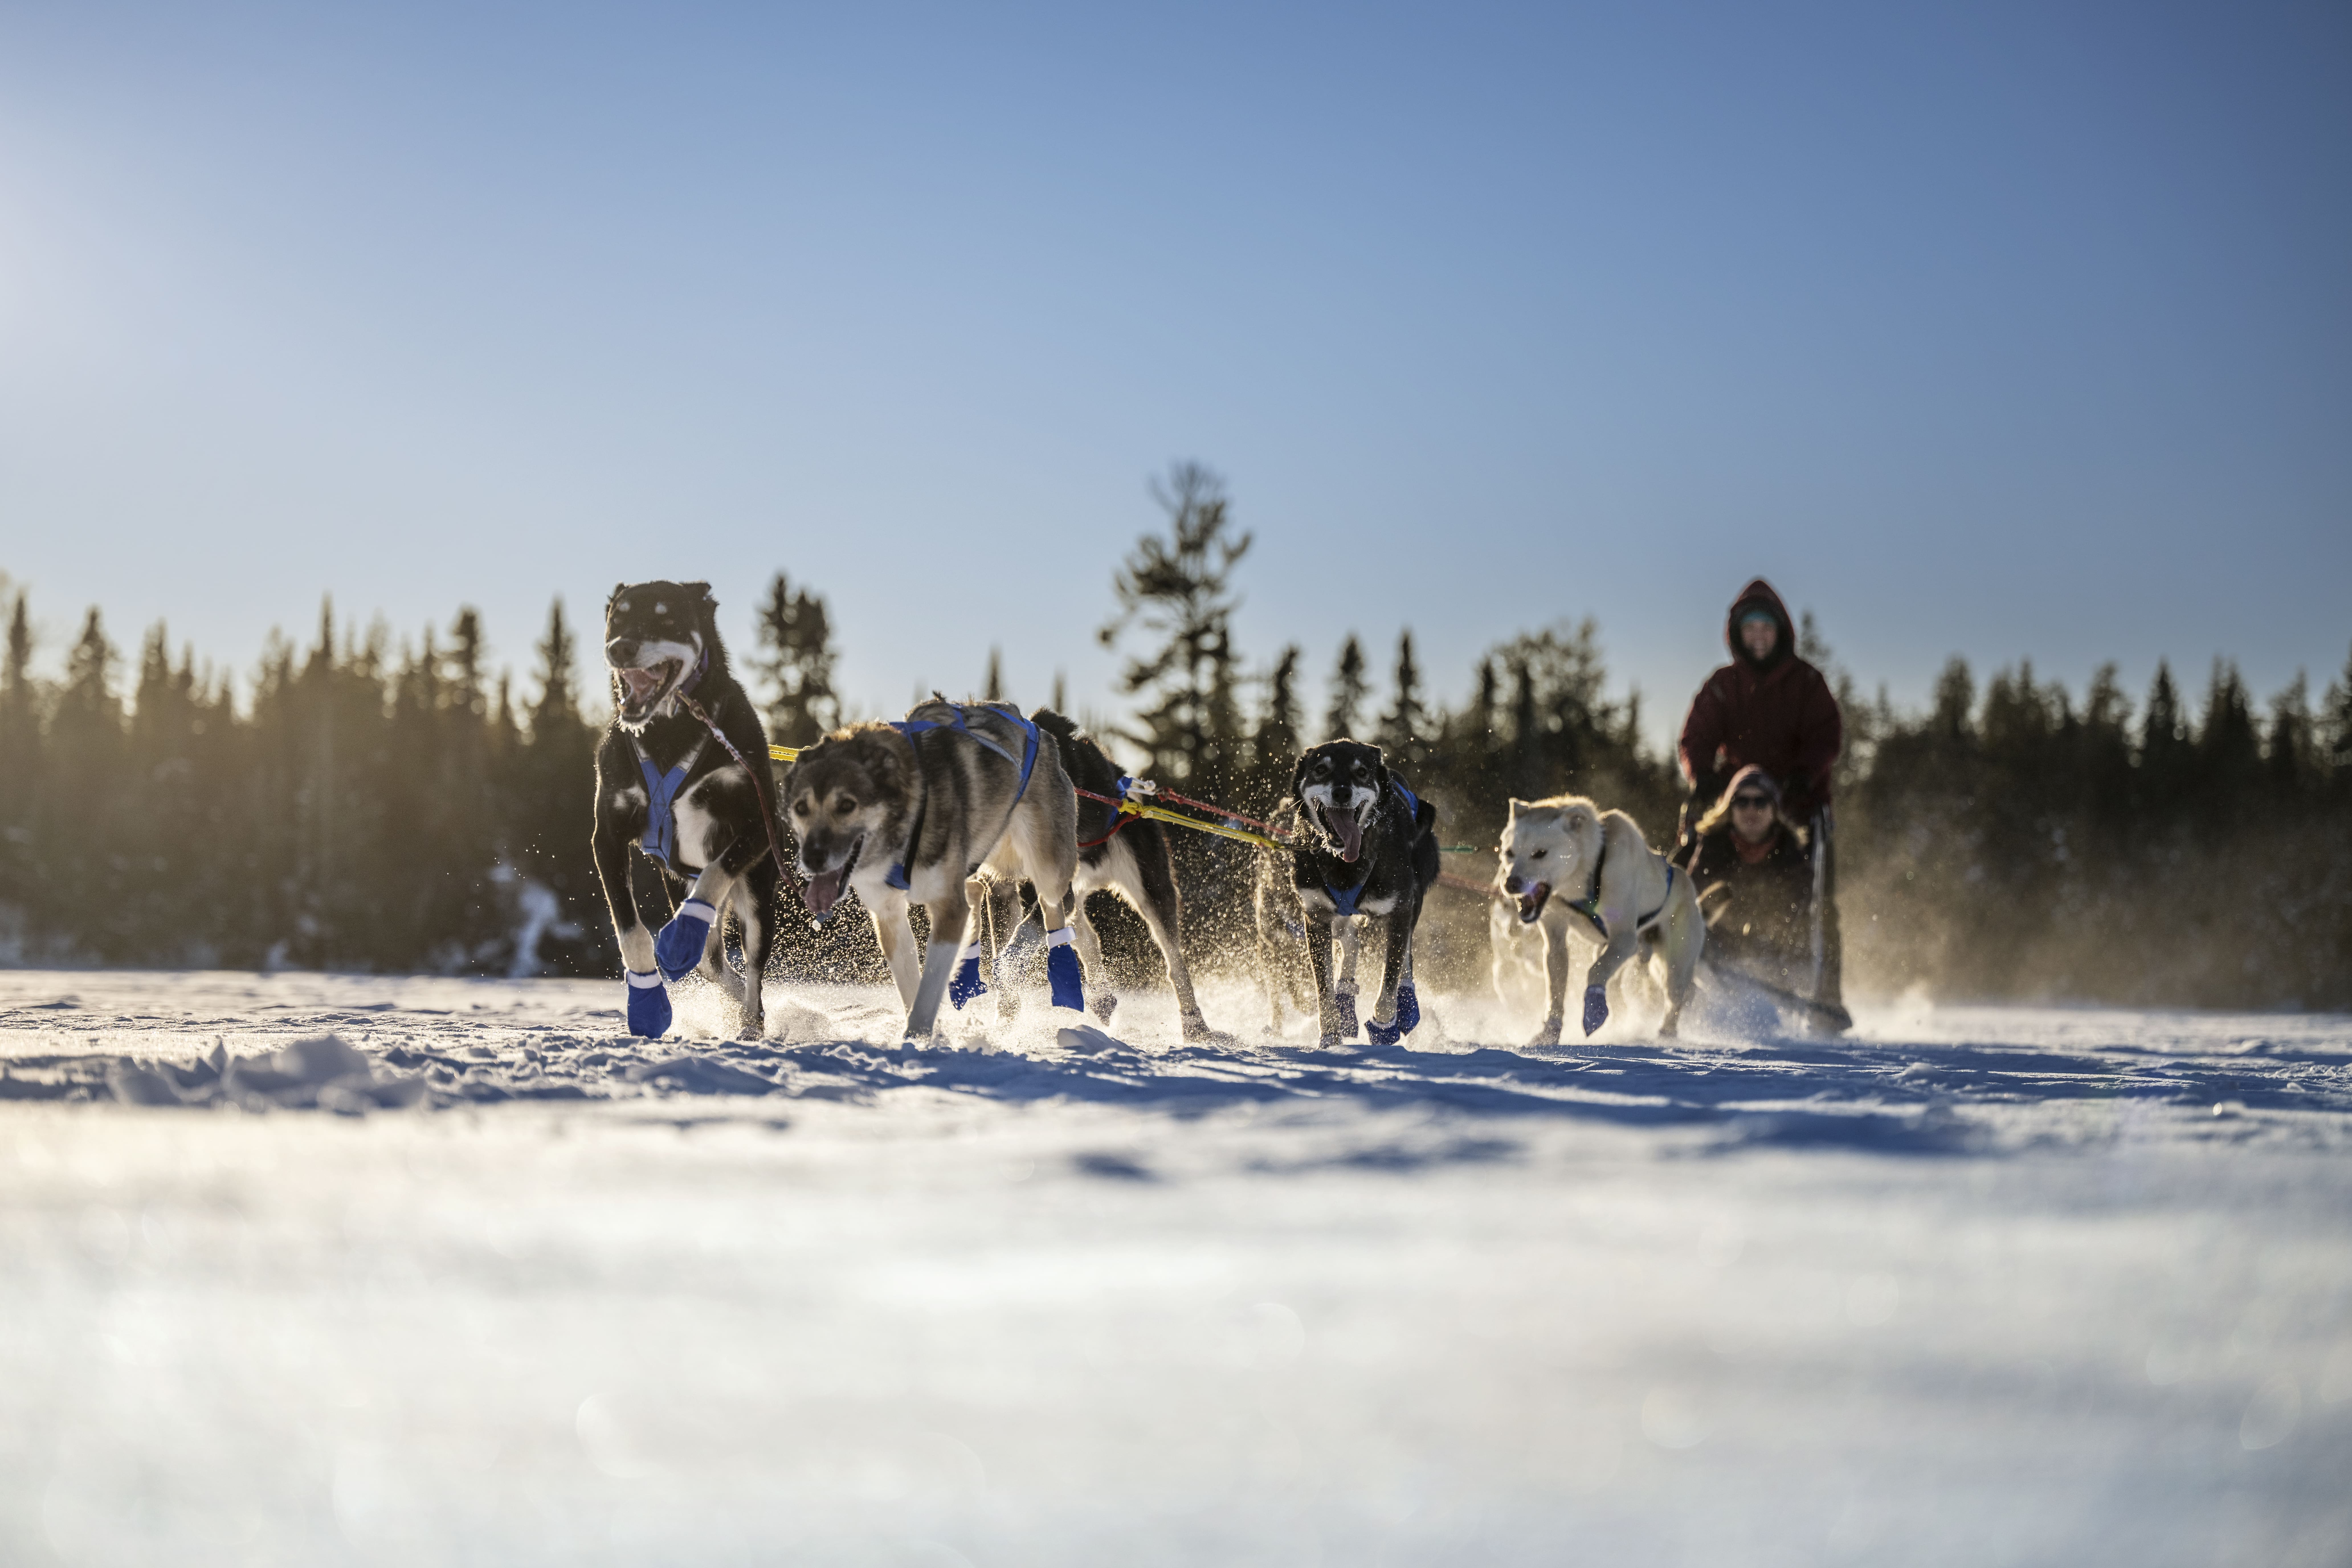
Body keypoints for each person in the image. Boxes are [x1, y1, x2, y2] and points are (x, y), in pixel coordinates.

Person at [1674, 578, 1844, 1010]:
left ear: (1780, 631)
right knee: (1689, 878)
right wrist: (1703, 777)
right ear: (1738, 634)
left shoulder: (1807, 683)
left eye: (1766, 628)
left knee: (1816, 901)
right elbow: (1695, 737)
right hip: (1736, 808)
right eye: (1750, 628)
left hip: (1797, 807)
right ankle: (1679, 964)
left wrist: (1807, 774)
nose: (1758, 636)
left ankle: (1824, 993)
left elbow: (1827, 735)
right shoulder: (1723, 685)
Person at [1686, 766, 1814, 992]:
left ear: (1774, 810)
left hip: (1771, 949)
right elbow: (1694, 896)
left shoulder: (1789, 852)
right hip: (1715, 944)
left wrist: (1766, 938)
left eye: (1761, 802)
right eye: (1742, 802)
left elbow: (1795, 907)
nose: (1751, 810)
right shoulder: (1714, 845)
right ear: (1729, 809)